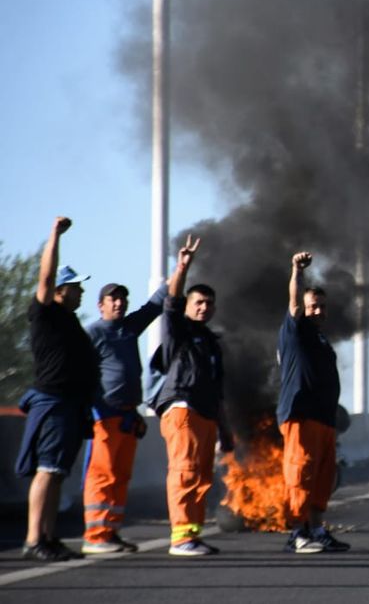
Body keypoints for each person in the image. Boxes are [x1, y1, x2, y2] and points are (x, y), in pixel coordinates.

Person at [16, 216, 100, 561]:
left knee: (58, 473)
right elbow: (46, 276)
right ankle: (34, 539)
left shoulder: (69, 321)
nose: (81, 291)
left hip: (70, 404)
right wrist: (54, 236)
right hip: (51, 401)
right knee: (47, 470)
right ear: (60, 291)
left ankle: (49, 538)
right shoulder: (46, 313)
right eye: (76, 287)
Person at [148, 235, 232, 557]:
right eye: (198, 302)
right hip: (182, 408)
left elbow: (219, 390)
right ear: (188, 305)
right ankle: (180, 537)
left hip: (207, 413)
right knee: (184, 470)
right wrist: (182, 266)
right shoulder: (178, 329)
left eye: (209, 303)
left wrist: (225, 430)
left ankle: (191, 535)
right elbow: (171, 301)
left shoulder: (211, 342)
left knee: (201, 475)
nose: (204, 307)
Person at [81, 279, 168, 554]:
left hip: (128, 416)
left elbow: (153, 307)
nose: (119, 303)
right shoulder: (93, 333)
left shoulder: (129, 329)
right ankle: (95, 535)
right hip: (103, 414)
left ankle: (112, 531)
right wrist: (89, 409)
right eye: (112, 299)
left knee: (120, 475)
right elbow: (80, 373)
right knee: (102, 475)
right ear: (100, 305)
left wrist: (180, 271)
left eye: (122, 299)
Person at [276, 251, 349, 554]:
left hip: (323, 418)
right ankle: (297, 531)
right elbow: (294, 301)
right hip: (301, 414)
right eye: (311, 307)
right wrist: (296, 270)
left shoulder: (321, 338)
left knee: (322, 477)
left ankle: (317, 529)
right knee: (300, 473)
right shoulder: (296, 331)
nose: (316, 311)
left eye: (320, 306)